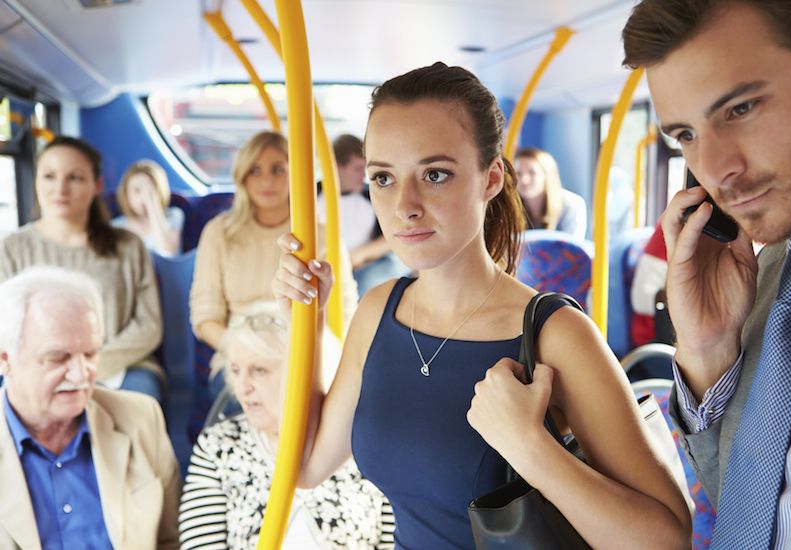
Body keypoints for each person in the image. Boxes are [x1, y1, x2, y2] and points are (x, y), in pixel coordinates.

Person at [272, 62, 691, 549]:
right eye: (383, 178)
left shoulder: (554, 333)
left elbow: (666, 540)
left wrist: (531, 448)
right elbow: (304, 465)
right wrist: (306, 322)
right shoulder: (377, 311)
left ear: (490, 179)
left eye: (435, 174)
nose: (405, 204)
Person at [623, 0, 791, 547]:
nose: (716, 169)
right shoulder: (760, 276)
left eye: (741, 109)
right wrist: (705, 355)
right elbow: (758, 508)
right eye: (685, 134)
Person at [178, 301, 393, 550]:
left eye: (259, 370)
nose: (242, 387)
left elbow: (395, 537)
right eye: (235, 371)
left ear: (307, 373)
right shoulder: (219, 445)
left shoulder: (363, 443)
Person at [0, 266, 180, 549]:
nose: (82, 375)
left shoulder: (141, 418)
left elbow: (172, 541)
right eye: (58, 358)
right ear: (4, 359)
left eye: (91, 354)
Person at [191, 130, 357, 398]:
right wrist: (249, 352)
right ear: (242, 176)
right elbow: (205, 316)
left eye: (278, 169)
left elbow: (345, 311)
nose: (267, 180)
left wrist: (308, 351)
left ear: (295, 175)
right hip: (240, 353)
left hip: (308, 350)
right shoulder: (218, 233)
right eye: (255, 170)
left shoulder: (322, 235)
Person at [0, 136, 164, 401]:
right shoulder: (11, 249)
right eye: (49, 177)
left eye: (74, 178)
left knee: (143, 395)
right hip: (36, 368)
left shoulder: (128, 246)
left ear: (97, 185)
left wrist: (90, 365)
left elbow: (148, 325)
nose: (60, 189)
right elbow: (6, 326)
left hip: (121, 366)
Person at [318, 134, 408, 295]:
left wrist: (360, 256)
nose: (364, 176)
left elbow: (394, 236)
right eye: (358, 169)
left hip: (365, 267)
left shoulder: (372, 196)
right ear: (336, 167)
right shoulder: (310, 197)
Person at [111, 159, 183, 257]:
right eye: (137, 190)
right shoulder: (115, 228)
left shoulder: (174, 215)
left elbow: (168, 253)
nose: (143, 197)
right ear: (126, 194)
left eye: (150, 190)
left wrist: (152, 203)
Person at [514, 146, 588, 239]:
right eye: (518, 173)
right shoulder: (509, 207)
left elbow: (572, 248)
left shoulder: (572, 204)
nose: (524, 180)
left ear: (547, 175)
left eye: (532, 172)